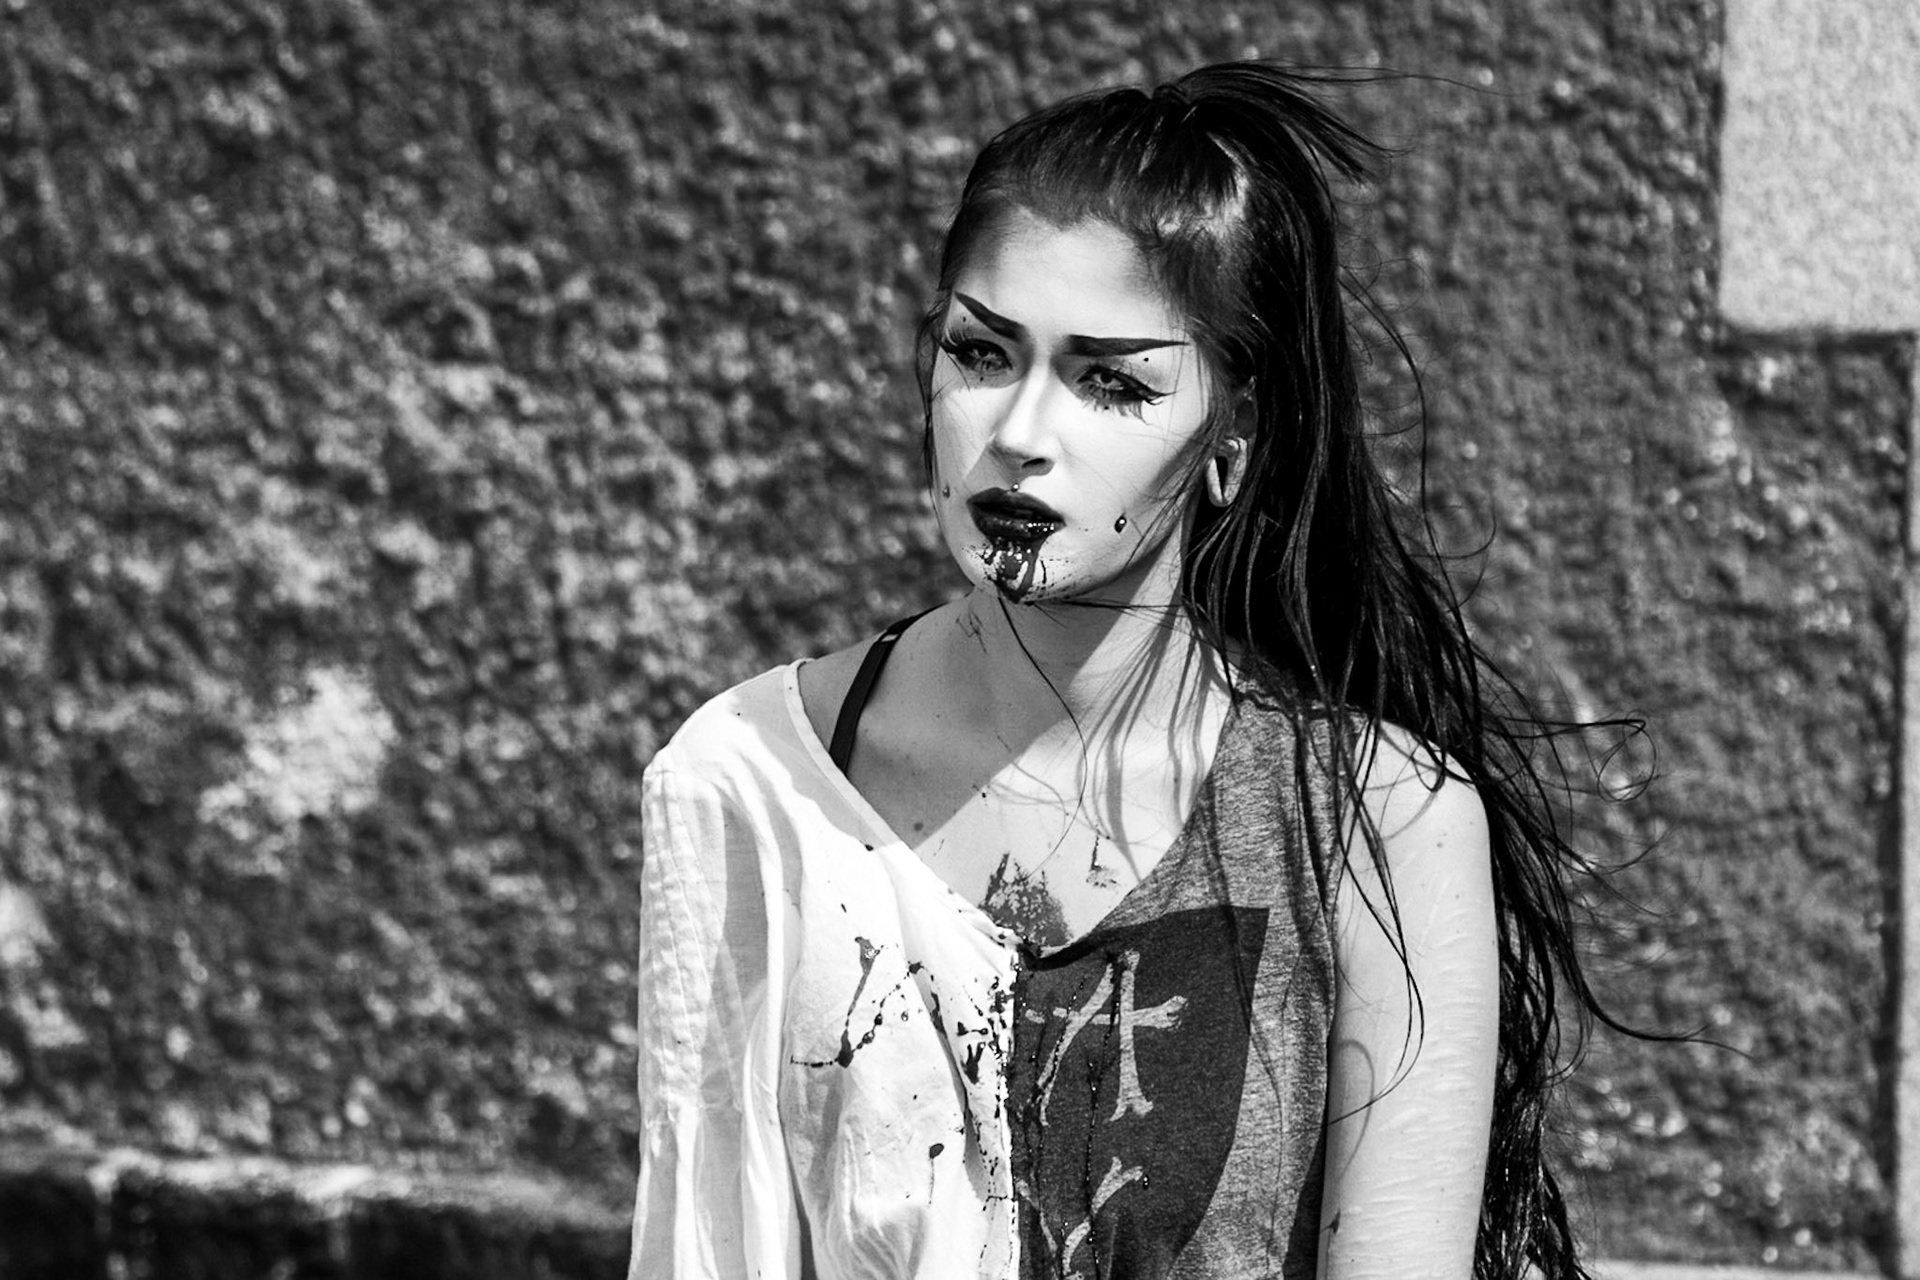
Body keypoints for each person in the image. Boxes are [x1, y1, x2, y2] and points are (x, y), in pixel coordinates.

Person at [630, 61, 1631, 1280]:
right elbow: (705, 1242)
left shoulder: (1381, 823)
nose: (1020, 434)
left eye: (1111, 380)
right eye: (981, 353)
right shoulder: (752, 781)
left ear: (1232, 436)